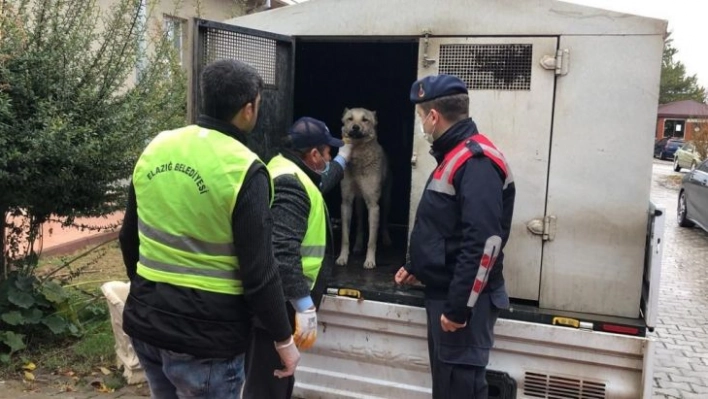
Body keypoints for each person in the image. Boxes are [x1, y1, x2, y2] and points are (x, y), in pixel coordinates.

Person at [118, 59, 299, 399]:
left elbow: (129, 237)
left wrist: (147, 295)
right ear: (248, 109)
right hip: (207, 342)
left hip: (147, 325)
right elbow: (259, 272)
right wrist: (283, 339)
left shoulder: (157, 146)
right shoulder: (243, 168)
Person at [394, 74, 516, 399]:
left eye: (422, 116)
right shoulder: (454, 156)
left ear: (433, 116)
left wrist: (459, 308)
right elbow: (448, 227)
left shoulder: (475, 161)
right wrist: (417, 264)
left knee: (457, 390)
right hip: (446, 293)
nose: (422, 124)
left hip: (462, 305)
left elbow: (483, 245)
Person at [242, 117, 352, 399]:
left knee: (274, 384)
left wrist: (342, 161)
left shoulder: (284, 169)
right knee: (269, 388)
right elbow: (282, 252)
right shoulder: (291, 184)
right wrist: (304, 305)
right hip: (278, 306)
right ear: (314, 154)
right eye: (328, 153)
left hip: (277, 301)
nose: (329, 158)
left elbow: (320, 182)